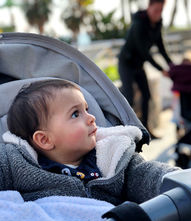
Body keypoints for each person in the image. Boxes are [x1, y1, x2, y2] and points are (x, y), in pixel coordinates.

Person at [1, 79, 178, 205]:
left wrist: (178, 181)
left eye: (86, 109)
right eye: (76, 114)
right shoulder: (15, 163)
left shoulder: (111, 156)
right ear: (45, 139)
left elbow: (146, 174)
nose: (92, 118)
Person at [118, 0, 172, 139]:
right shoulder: (139, 23)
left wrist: (172, 66)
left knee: (147, 96)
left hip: (138, 65)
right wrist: (161, 69)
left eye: (160, 11)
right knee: (128, 97)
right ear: (149, 7)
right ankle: (123, 134)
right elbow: (144, 52)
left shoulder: (157, 24)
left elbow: (161, 48)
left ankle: (145, 131)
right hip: (126, 63)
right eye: (155, 10)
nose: (157, 14)